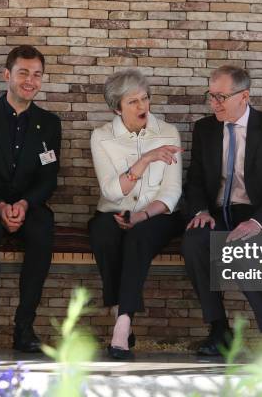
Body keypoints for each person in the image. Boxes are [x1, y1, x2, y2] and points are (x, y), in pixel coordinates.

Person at [181, 65, 262, 356]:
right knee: (194, 241)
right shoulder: (205, 129)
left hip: (258, 214)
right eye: (211, 96)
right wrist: (200, 210)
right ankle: (218, 328)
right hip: (217, 213)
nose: (214, 103)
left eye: (221, 97)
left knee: (238, 248)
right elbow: (196, 179)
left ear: (245, 96)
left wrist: (257, 222)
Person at [0, 45, 61, 352]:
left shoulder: (49, 123)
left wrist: (23, 204)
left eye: (37, 75)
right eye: (23, 73)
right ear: (7, 75)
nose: (30, 81)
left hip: (29, 204)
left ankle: (25, 326)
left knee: (42, 232)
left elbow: (49, 178)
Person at [89, 69, 184, 360]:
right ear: (116, 107)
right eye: (133, 102)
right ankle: (120, 312)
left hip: (158, 216)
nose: (143, 106)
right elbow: (111, 192)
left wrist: (142, 215)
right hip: (114, 211)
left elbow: (172, 191)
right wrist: (144, 161)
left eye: (145, 99)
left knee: (138, 237)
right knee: (103, 233)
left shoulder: (168, 132)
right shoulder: (102, 137)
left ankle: (122, 324)